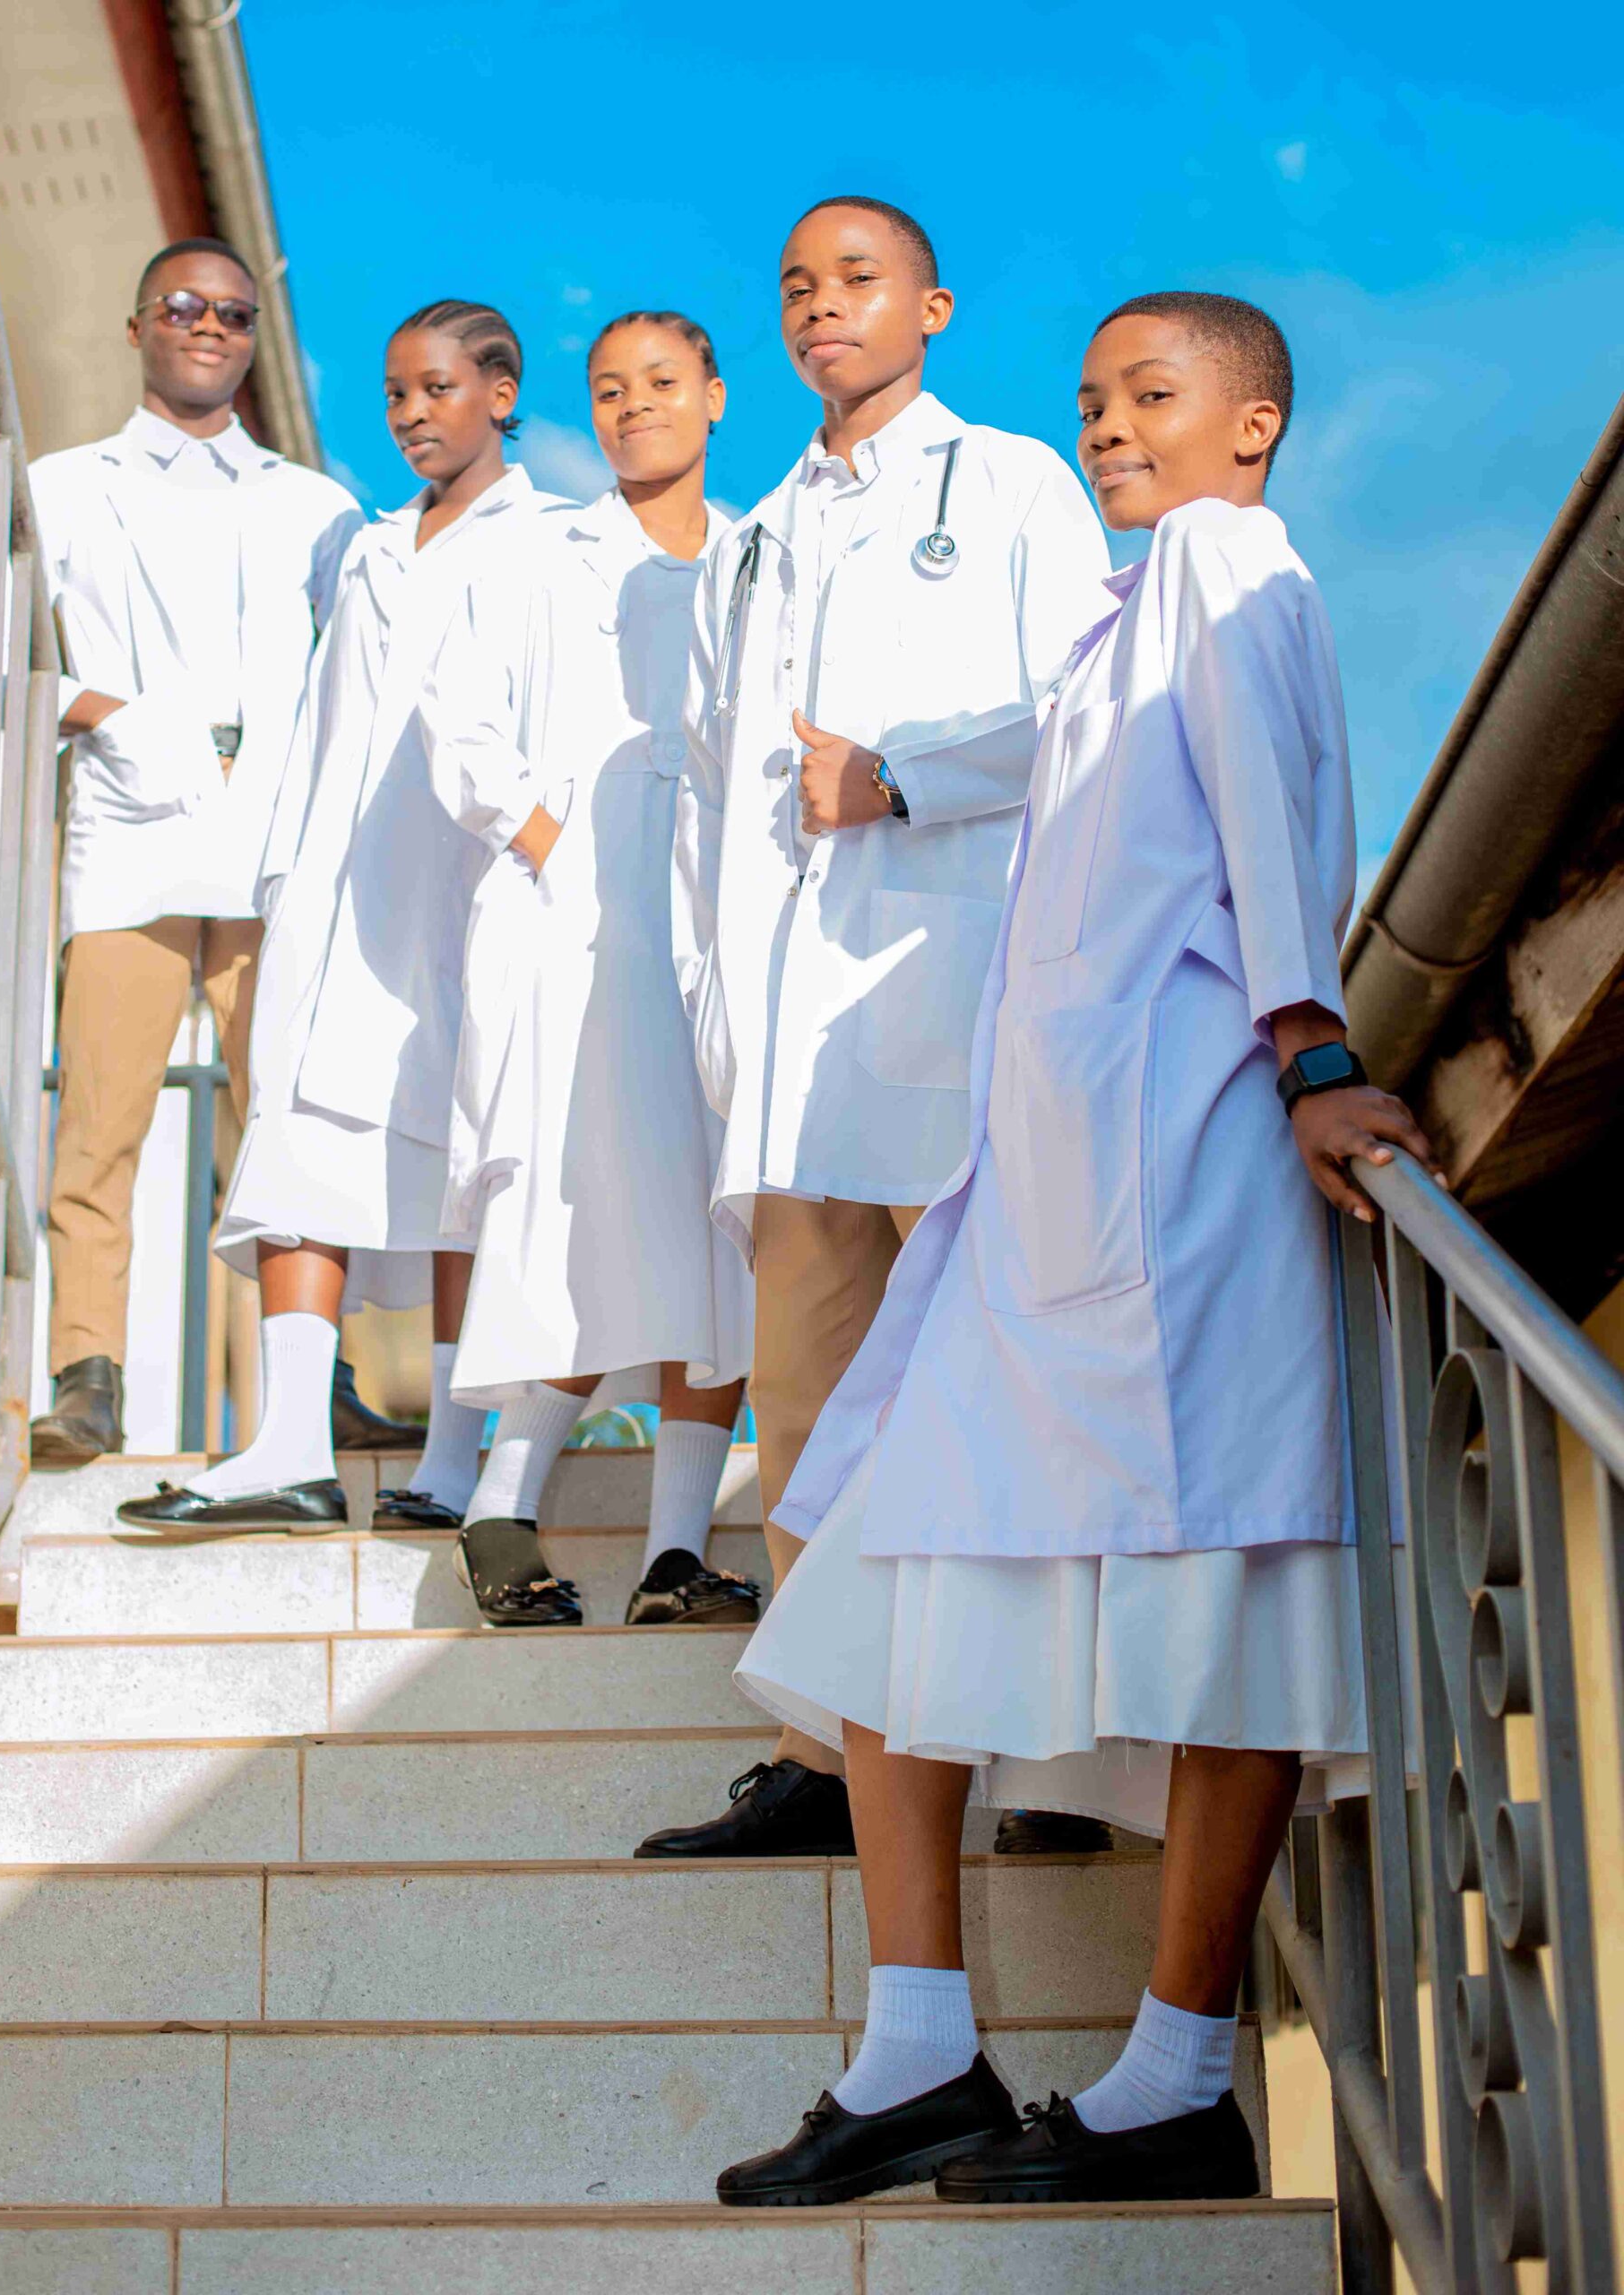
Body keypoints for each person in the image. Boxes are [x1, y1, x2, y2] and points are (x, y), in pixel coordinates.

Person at [715, 292, 1438, 2209]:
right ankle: (919, 2052)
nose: (1111, 424)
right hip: (1048, 1182)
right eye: (1095, 399)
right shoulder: (1126, 615)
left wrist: (1312, 1047)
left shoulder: (1224, 563)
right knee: (888, 1560)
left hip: (1176, 1164)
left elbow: (1274, 808)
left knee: (1220, 1601)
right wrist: (893, 771)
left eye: (1153, 394)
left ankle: (1175, 2078)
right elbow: (1032, 753)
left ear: (1252, 424)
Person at [635, 197, 1110, 1859]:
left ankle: (1052, 1760)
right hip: (791, 1047)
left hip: (955, 1003)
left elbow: (1084, 705)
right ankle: (831, 1762)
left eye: (857, 282)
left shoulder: (1012, 484)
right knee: (813, 1410)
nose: (821, 308)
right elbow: (712, 799)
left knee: (1004, 1386)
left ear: (933, 307)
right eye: (796, 287)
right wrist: (718, 1013)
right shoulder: (755, 535)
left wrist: (907, 777)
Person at [116, 302, 572, 1530]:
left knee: (470, 1165)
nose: (413, 415)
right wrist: (285, 880)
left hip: (472, 898)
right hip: (338, 895)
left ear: (500, 393)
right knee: (298, 1153)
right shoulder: (370, 552)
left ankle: (455, 1460)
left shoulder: (553, 548)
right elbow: (322, 730)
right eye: (395, 395)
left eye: (437, 389)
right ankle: (288, 1447)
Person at [421, 312, 756, 1627]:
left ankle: (675, 1552)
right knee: (576, 1207)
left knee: (716, 1217)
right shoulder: (541, 556)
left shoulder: (761, 557)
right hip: (574, 929)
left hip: (720, 927)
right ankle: (502, 1504)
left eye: (661, 382)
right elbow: (457, 716)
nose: (633, 407)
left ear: (715, 396)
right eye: (609, 390)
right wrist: (552, 839)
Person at [28, 239, 363, 1467]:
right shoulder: (61, 487)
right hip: (132, 841)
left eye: (232, 313)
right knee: (102, 1123)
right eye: (182, 307)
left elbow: (369, 666)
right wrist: (114, 719)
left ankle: (314, 1389)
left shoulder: (317, 507)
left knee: (292, 1126)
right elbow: (3, 655)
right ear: (138, 326)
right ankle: (87, 1377)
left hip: (276, 851)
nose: (209, 327)